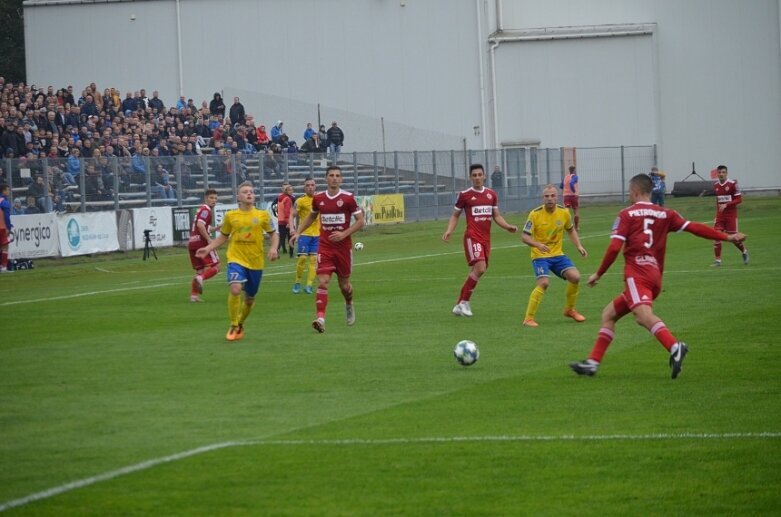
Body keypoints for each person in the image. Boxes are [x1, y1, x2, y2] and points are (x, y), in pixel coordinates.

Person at [569, 174, 748, 379]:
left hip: (637, 274)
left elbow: (614, 247)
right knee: (609, 314)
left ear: (635, 191)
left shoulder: (627, 214)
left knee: (642, 316)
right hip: (655, 277)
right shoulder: (666, 213)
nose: (629, 195)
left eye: (629, 191)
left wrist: (598, 273)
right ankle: (593, 362)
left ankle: (675, 346)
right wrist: (727, 236)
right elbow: (695, 228)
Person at [196, 182, 279, 341]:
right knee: (235, 289)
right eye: (245, 192)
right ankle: (233, 324)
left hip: (255, 261)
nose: (249, 194)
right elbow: (223, 236)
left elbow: (273, 234)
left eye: (251, 192)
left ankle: (240, 322)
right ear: (238, 197)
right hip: (236, 258)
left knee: (249, 298)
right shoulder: (231, 216)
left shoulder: (262, 215)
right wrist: (208, 248)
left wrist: (274, 248)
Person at [290, 166, 365, 333]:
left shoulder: (348, 198)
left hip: (343, 248)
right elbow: (312, 216)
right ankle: (321, 319)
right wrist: (298, 233)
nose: (334, 178)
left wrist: (344, 234)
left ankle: (348, 303)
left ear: (341, 179)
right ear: (326, 179)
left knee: (344, 286)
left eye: (338, 175)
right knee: (323, 282)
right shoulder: (319, 198)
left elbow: (360, 221)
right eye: (331, 175)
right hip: (324, 247)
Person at [442, 163, 518, 317]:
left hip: (486, 239)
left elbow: (496, 215)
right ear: (470, 177)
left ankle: (458, 305)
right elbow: (455, 215)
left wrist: (507, 226)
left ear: (484, 176)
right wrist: (449, 231)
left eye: (479, 175)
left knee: (476, 271)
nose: (477, 178)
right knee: (480, 268)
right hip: (472, 236)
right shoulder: (465, 195)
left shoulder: (491, 194)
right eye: (474, 175)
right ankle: (464, 302)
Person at [520, 184, 587, 327]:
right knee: (544, 283)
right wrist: (537, 245)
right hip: (540, 256)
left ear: (557, 197)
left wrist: (579, 246)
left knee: (575, 277)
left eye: (552, 196)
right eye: (546, 196)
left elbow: (571, 230)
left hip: (557, 255)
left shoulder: (564, 213)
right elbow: (524, 237)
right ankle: (528, 318)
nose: (549, 199)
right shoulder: (535, 214)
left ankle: (569, 310)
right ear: (542, 198)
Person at [712, 164, 749, 266]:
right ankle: (718, 261)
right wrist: (717, 214)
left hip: (731, 216)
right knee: (716, 236)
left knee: (734, 239)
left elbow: (739, 199)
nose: (721, 174)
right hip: (720, 216)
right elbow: (718, 201)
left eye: (723, 172)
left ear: (727, 173)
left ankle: (744, 251)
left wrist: (727, 204)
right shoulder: (715, 185)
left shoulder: (733, 184)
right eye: (719, 172)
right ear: (717, 174)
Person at [188, 189, 221, 303]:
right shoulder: (206, 210)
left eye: (216, 198)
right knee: (217, 266)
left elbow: (205, 227)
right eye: (211, 198)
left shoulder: (200, 210)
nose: (214, 200)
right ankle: (200, 279)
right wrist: (209, 239)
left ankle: (194, 296)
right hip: (201, 243)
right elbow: (200, 225)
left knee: (200, 270)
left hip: (192, 243)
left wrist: (217, 228)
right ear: (206, 198)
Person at [291, 177, 320, 294]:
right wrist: (292, 228)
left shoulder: (320, 199)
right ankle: (297, 282)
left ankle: (309, 285)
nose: (310, 187)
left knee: (313, 260)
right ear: (304, 187)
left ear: (315, 186)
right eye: (307, 185)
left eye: (312, 185)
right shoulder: (300, 201)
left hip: (317, 234)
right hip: (304, 234)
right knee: (303, 258)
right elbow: (292, 215)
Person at [276, 183, 294, 258]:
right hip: (286, 221)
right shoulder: (288, 199)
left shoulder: (280, 198)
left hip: (280, 221)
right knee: (291, 237)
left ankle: (276, 251)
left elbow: (277, 209)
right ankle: (291, 254)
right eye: (290, 190)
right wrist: (288, 222)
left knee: (282, 238)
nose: (292, 191)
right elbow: (287, 212)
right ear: (286, 191)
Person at [561, 165, 580, 231]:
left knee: (566, 211)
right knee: (576, 212)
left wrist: (565, 191)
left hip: (566, 196)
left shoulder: (565, 177)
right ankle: (576, 227)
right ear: (574, 170)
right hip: (573, 196)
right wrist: (574, 191)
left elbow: (561, 186)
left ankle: (566, 226)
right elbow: (571, 183)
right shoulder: (575, 176)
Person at [0, 184, 12, 273]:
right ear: (3, 191)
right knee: (5, 246)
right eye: (8, 190)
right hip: (1, 227)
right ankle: (3, 267)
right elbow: (6, 216)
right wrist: (8, 227)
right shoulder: (4, 202)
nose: (9, 191)